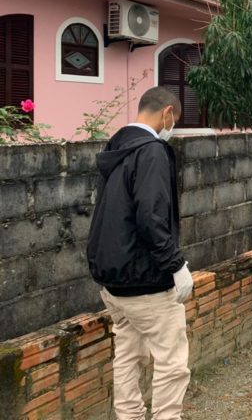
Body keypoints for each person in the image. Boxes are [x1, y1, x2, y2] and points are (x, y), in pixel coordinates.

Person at [86, 87, 194, 420]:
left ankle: (129, 416)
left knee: (128, 354)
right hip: (145, 281)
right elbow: (151, 217)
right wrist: (175, 265)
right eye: (174, 119)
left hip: (112, 282)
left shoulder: (115, 146)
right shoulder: (152, 151)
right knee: (172, 363)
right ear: (167, 114)